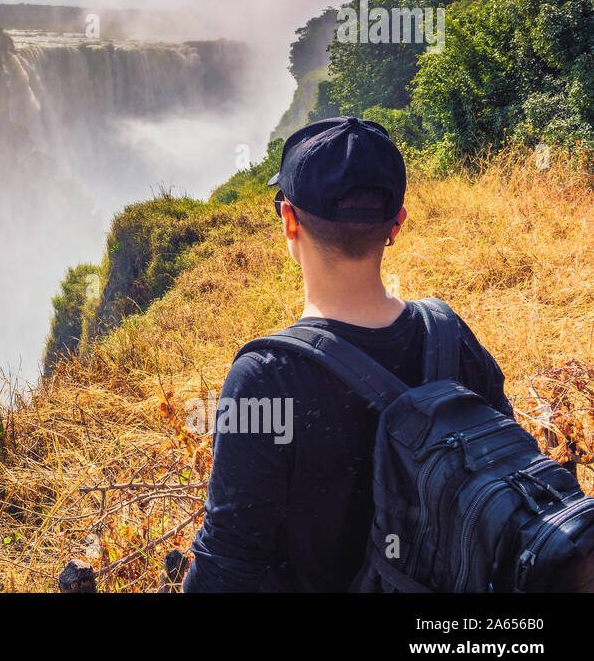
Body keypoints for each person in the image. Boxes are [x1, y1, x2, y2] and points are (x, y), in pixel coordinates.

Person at [182, 116, 514, 592]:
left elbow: (227, 562)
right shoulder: (449, 334)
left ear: (289, 220)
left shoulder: (265, 380)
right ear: (396, 224)